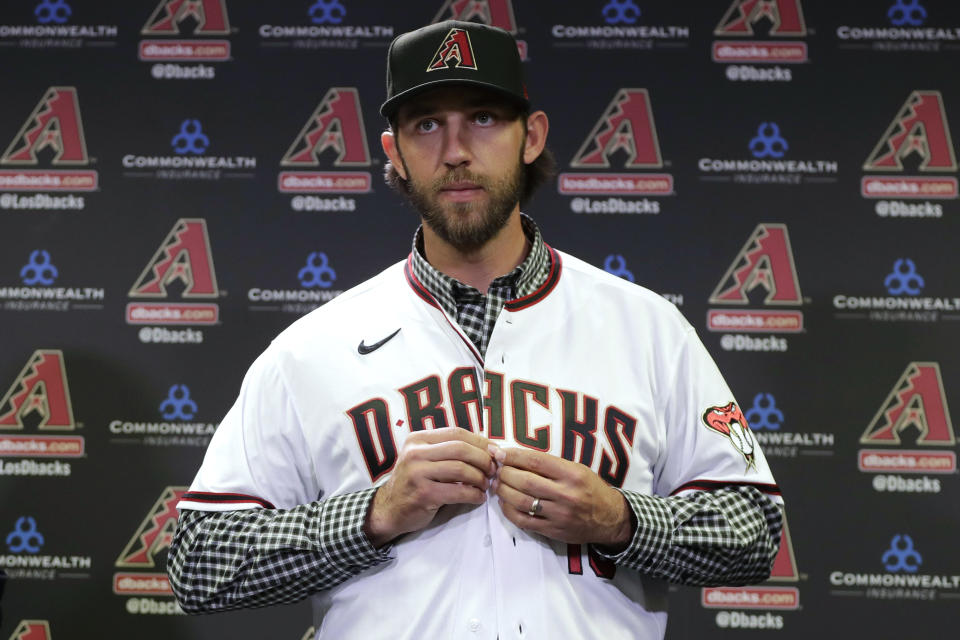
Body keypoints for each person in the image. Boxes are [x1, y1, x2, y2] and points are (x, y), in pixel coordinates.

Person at [168, 20, 784, 640]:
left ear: (531, 136)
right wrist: (373, 515)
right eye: (427, 124)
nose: (456, 150)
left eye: (484, 117)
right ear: (395, 153)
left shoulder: (648, 328)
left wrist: (620, 519)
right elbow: (199, 561)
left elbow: (754, 529)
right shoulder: (313, 348)